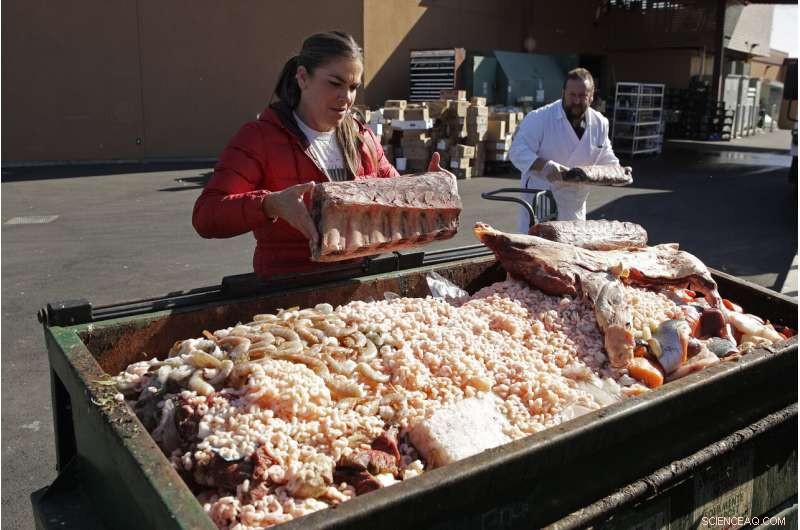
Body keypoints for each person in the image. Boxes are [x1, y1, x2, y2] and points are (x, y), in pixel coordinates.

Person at [193, 31, 447, 277]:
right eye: (335, 83)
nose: (346, 97)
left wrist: (425, 188)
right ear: (303, 78)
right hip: (285, 288)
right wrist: (270, 204)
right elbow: (206, 215)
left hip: (357, 281)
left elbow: (394, 196)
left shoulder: (363, 138)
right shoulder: (259, 138)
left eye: (353, 87)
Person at [509, 68, 623, 232]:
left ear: (591, 96)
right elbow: (517, 151)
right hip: (540, 207)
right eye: (572, 95)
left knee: (571, 247)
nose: (576, 100)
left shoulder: (600, 123)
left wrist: (618, 172)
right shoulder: (540, 118)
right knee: (537, 247)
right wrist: (545, 165)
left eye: (582, 96)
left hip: (574, 210)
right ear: (563, 93)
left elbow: (605, 155)